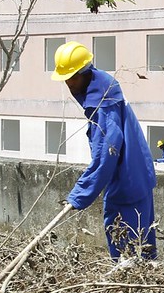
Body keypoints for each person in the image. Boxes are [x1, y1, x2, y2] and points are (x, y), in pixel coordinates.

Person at [51, 41, 157, 260]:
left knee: (127, 255)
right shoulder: (105, 86)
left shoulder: (103, 105)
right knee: (142, 251)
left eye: (72, 77)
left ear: (85, 73)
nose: (68, 84)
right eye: (65, 79)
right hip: (138, 177)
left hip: (127, 184)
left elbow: (105, 156)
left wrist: (78, 196)